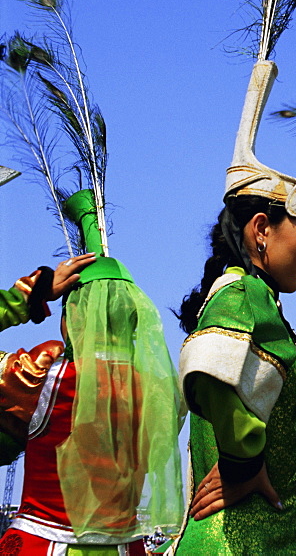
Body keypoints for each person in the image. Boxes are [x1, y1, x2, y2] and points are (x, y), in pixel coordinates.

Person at [174, 59, 296, 554]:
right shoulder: (241, 293)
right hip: (241, 544)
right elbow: (208, 372)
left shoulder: (253, 298)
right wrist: (244, 464)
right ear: (262, 229)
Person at [0, 188, 184, 554]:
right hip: (126, 547)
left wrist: (30, 295)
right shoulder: (161, 391)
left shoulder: (39, 373)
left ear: (71, 317)